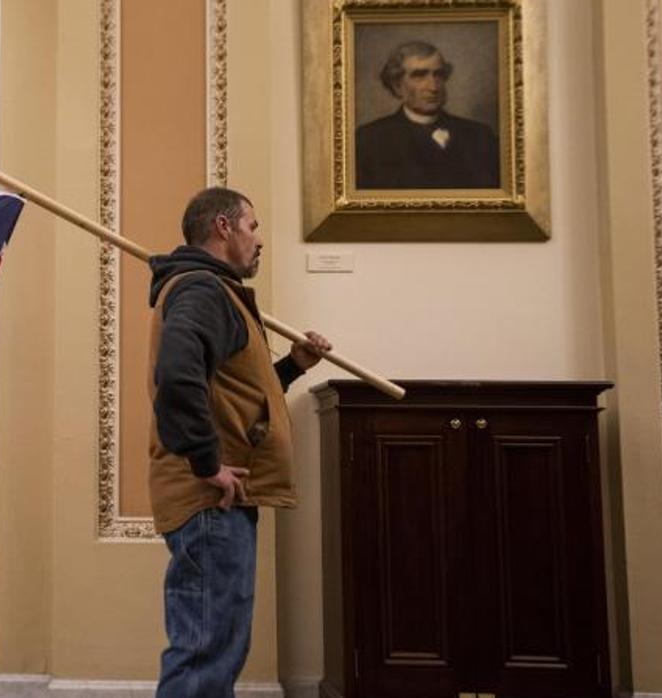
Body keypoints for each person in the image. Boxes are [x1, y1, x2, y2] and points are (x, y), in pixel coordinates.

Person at [148, 187, 331, 697]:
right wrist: (208, 465)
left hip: (220, 498)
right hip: (212, 497)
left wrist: (294, 365)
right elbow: (177, 375)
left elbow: (235, 393)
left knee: (213, 649)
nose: (259, 240)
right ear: (223, 227)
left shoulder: (213, 292)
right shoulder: (202, 289)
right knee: (206, 654)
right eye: (253, 226)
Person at [355, 40, 500, 189]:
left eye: (438, 75)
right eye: (419, 75)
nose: (433, 87)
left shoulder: (481, 136)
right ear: (397, 86)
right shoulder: (368, 140)